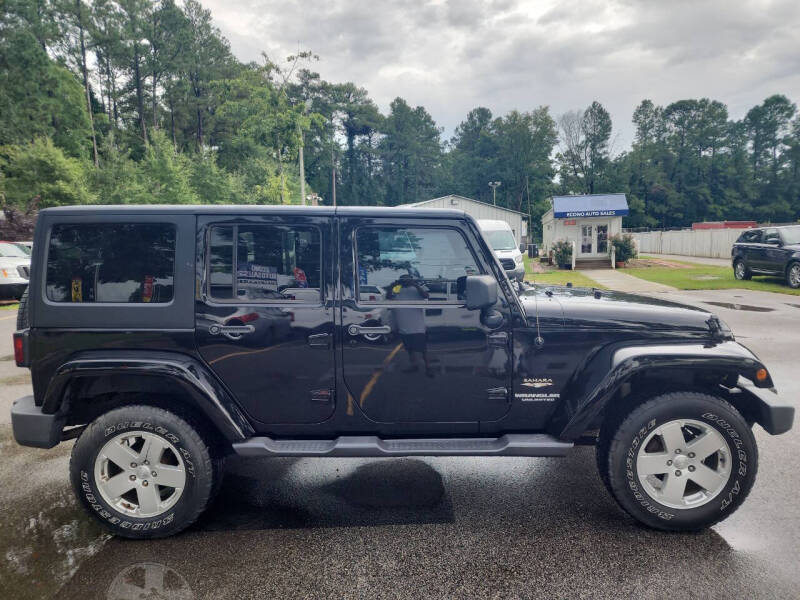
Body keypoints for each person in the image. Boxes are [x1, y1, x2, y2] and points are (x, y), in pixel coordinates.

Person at [386, 274, 433, 376]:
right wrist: (392, 286)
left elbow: (426, 296)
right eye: (403, 280)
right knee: (409, 349)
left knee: (423, 350)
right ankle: (414, 365)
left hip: (417, 326)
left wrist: (415, 285)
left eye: (407, 280)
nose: (405, 282)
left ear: (411, 280)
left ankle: (428, 367)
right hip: (403, 325)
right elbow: (389, 297)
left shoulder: (416, 288)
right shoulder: (397, 288)